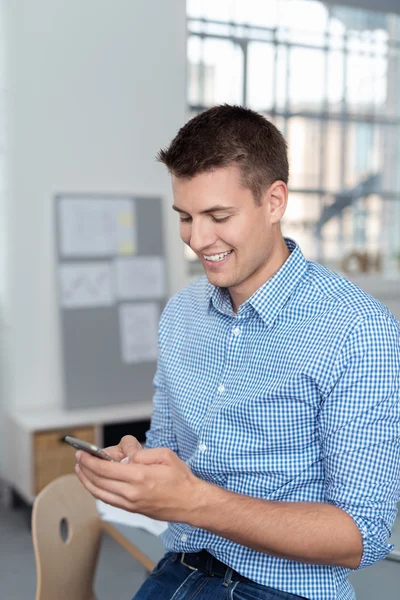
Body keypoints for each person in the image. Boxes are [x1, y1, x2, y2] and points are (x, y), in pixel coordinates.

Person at [75, 105, 400, 600]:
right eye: (185, 217)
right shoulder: (182, 313)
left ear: (274, 202)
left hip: (282, 590)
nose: (198, 240)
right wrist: (138, 466)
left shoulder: (357, 330)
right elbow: (169, 449)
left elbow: (363, 535)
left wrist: (195, 501)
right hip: (178, 567)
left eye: (218, 216)